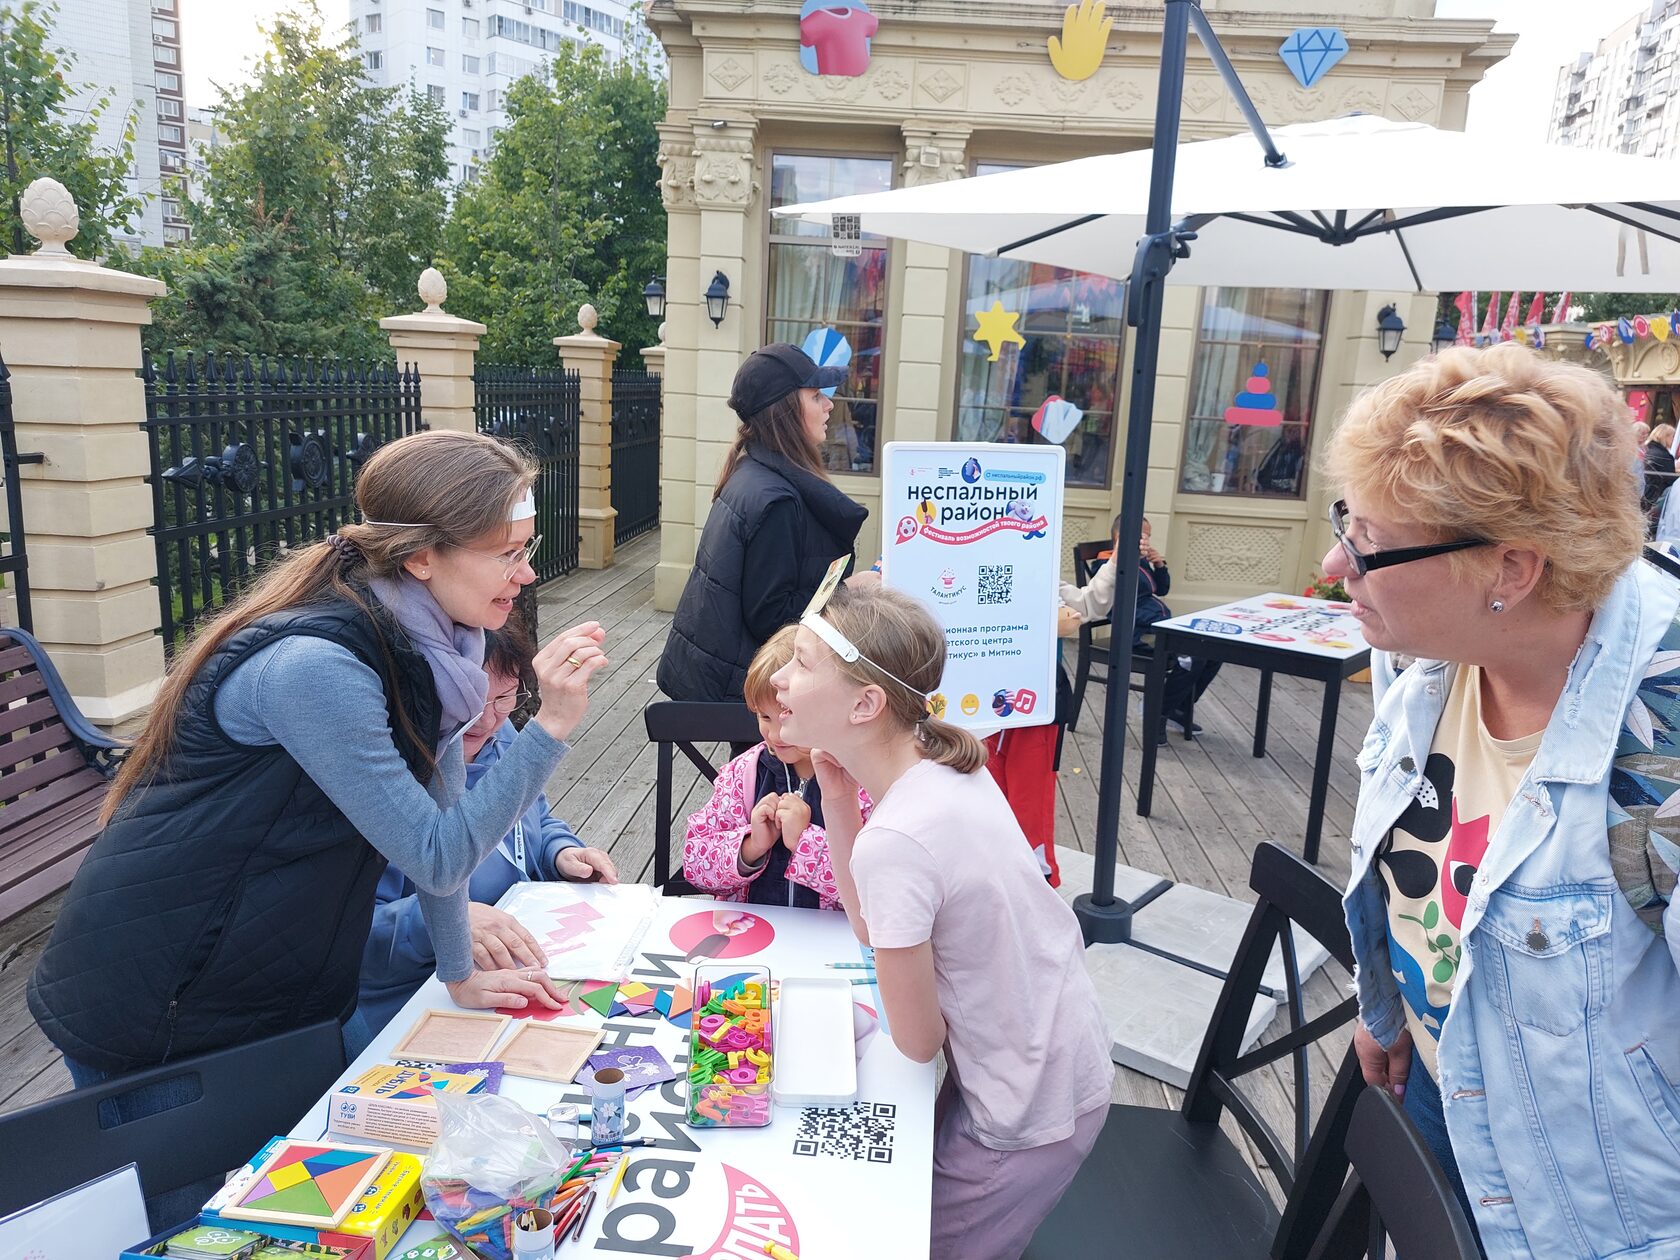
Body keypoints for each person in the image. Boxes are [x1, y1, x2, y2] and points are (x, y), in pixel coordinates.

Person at [30, 430, 606, 1076]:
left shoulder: (442, 650)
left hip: (273, 981)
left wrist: (459, 969)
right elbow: (439, 856)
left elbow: (442, 812)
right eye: (506, 553)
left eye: (525, 548)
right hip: (161, 993)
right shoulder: (319, 670)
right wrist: (548, 727)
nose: (526, 572)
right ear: (420, 558)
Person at [1323, 343, 1680, 1257]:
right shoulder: (1423, 649)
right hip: (1440, 1088)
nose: (1334, 563)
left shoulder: (1664, 749)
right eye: (1345, 523)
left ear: (1510, 572)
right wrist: (1388, 1008)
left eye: (1367, 543)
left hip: (1592, 1203)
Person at [771, 583, 1112, 1259]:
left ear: (865, 705)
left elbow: (917, 1040)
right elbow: (872, 928)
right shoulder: (940, 757)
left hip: (1024, 1109)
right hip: (1047, 1060)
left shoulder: (899, 837)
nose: (779, 677)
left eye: (803, 664)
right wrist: (836, 796)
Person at [356, 614, 620, 1037]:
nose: (487, 719)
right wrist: (445, 919)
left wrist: (561, 852)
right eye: (472, 700)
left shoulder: (503, 739)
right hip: (423, 1002)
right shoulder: (390, 786)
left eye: (505, 698)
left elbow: (537, 817)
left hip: (525, 967)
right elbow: (358, 942)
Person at [658, 343, 869, 703]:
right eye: (816, 395)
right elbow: (772, 618)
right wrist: (850, 590)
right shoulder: (777, 500)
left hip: (727, 675)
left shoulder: (753, 471)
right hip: (746, 693)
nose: (829, 404)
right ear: (786, 410)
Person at [683, 626, 866, 909]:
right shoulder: (742, 775)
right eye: (765, 717)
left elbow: (879, 890)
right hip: (751, 936)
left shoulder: (860, 782)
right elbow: (695, 864)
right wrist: (751, 846)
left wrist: (805, 843)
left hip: (836, 943)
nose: (776, 735)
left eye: (789, 715)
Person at [1058, 514, 1218, 742]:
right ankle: (1158, 713)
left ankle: (1177, 708)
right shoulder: (1108, 564)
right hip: (1137, 632)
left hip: (1158, 625)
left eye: (1149, 537)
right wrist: (1125, 557)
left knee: (1211, 651)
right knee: (1191, 657)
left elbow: (1161, 589)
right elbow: (1115, 596)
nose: (1147, 541)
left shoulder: (1141, 562)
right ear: (1122, 538)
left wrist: (1159, 565)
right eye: (1144, 536)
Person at [1643, 421, 1676, 513]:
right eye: (1672, 436)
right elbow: (1671, 481)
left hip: (1645, 496)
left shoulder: (1647, 449)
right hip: (1657, 500)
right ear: (1665, 437)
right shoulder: (1664, 456)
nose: (1674, 440)